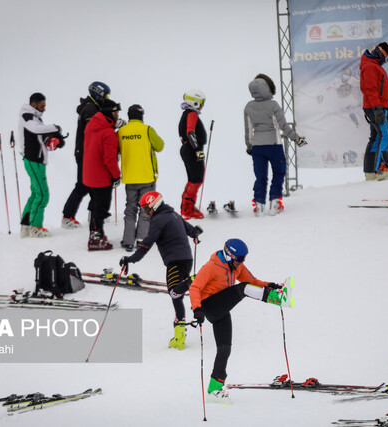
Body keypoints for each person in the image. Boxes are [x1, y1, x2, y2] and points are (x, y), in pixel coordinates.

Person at [189, 238, 288, 403]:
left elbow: (252, 282)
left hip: (222, 309)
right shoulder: (211, 267)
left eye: (244, 259)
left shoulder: (237, 267)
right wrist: (197, 309)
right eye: (240, 259)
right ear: (229, 255)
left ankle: (214, 388)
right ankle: (276, 299)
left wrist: (270, 285)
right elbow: (195, 287)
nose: (242, 262)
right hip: (209, 305)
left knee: (225, 349)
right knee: (241, 290)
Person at [119, 191, 202, 349]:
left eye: (145, 209)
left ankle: (194, 280)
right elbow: (190, 229)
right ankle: (179, 338)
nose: (145, 213)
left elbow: (146, 244)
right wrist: (195, 233)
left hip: (175, 261)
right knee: (177, 297)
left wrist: (130, 259)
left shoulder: (158, 219)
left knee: (174, 293)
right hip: (186, 260)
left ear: (153, 206)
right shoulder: (173, 214)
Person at [244, 73, 307, 216]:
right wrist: (296, 138)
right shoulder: (273, 105)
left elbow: (248, 129)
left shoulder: (248, 107)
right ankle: (275, 203)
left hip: (257, 147)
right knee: (278, 173)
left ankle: (258, 206)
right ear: (267, 88)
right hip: (274, 145)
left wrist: (249, 145)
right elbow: (283, 126)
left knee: (260, 177)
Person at [62, 82, 111, 229]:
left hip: (87, 151)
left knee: (93, 182)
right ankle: (67, 216)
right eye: (105, 96)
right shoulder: (90, 109)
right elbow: (95, 128)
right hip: (85, 152)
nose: (106, 99)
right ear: (98, 93)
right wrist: (113, 124)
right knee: (83, 185)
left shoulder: (93, 107)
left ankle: (94, 212)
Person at [118, 104, 165, 251]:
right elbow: (160, 146)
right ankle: (141, 239)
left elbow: (117, 150)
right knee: (146, 209)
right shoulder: (147, 130)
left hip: (129, 178)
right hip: (146, 176)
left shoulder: (121, 131)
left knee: (130, 208)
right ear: (141, 116)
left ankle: (128, 241)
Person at [18, 92, 65, 238]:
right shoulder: (27, 116)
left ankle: (26, 226)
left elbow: (41, 138)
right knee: (43, 194)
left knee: (35, 193)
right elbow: (36, 129)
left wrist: (56, 141)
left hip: (37, 160)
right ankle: (36, 227)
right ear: (34, 104)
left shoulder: (35, 118)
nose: (44, 108)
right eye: (42, 105)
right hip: (34, 161)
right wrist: (55, 127)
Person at [83, 98, 122, 250]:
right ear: (109, 112)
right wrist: (116, 175)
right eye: (115, 112)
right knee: (101, 208)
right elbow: (109, 158)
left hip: (89, 174)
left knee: (95, 206)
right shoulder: (108, 133)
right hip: (101, 176)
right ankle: (95, 238)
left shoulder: (92, 125)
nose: (117, 115)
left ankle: (96, 233)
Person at [359, 41, 388, 181]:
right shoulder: (369, 67)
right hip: (374, 107)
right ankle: (382, 168)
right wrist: (378, 109)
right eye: (387, 58)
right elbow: (371, 90)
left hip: (378, 106)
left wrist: (385, 108)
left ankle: (370, 171)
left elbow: (380, 90)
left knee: (375, 137)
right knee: (383, 135)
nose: (386, 62)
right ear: (380, 54)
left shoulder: (373, 66)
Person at [178, 89, 208, 219]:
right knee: (197, 179)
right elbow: (190, 133)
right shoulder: (192, 114)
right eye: (201, 102)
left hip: (187, 149)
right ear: (194, 103)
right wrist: (198, 151)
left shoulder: (187, 113)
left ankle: (186, 207)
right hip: (192, 150)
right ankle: (187, 209)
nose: (202, 105)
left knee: (193, 179)